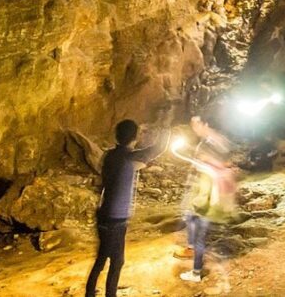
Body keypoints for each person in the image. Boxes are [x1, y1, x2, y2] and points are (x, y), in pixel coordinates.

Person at [85, 119, 169, 297]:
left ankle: (90, 292)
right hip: (116, 218)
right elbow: (158, 149)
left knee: (101, 258)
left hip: (103, 213)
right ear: (135, 137)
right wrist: (166, 127)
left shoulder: (109, 156)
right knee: (117, 262)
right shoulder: (130, 158)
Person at [176, 117, 235, 283]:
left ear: (206, 124)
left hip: (206, 201)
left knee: (199, 234)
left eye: (197, 124)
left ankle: (196, 272)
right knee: (191, 220)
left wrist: (205, 165)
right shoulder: (210, 144)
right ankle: (191, 248)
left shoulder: (214, 147)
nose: (194, 128)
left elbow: (221, 167)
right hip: (205, 197)